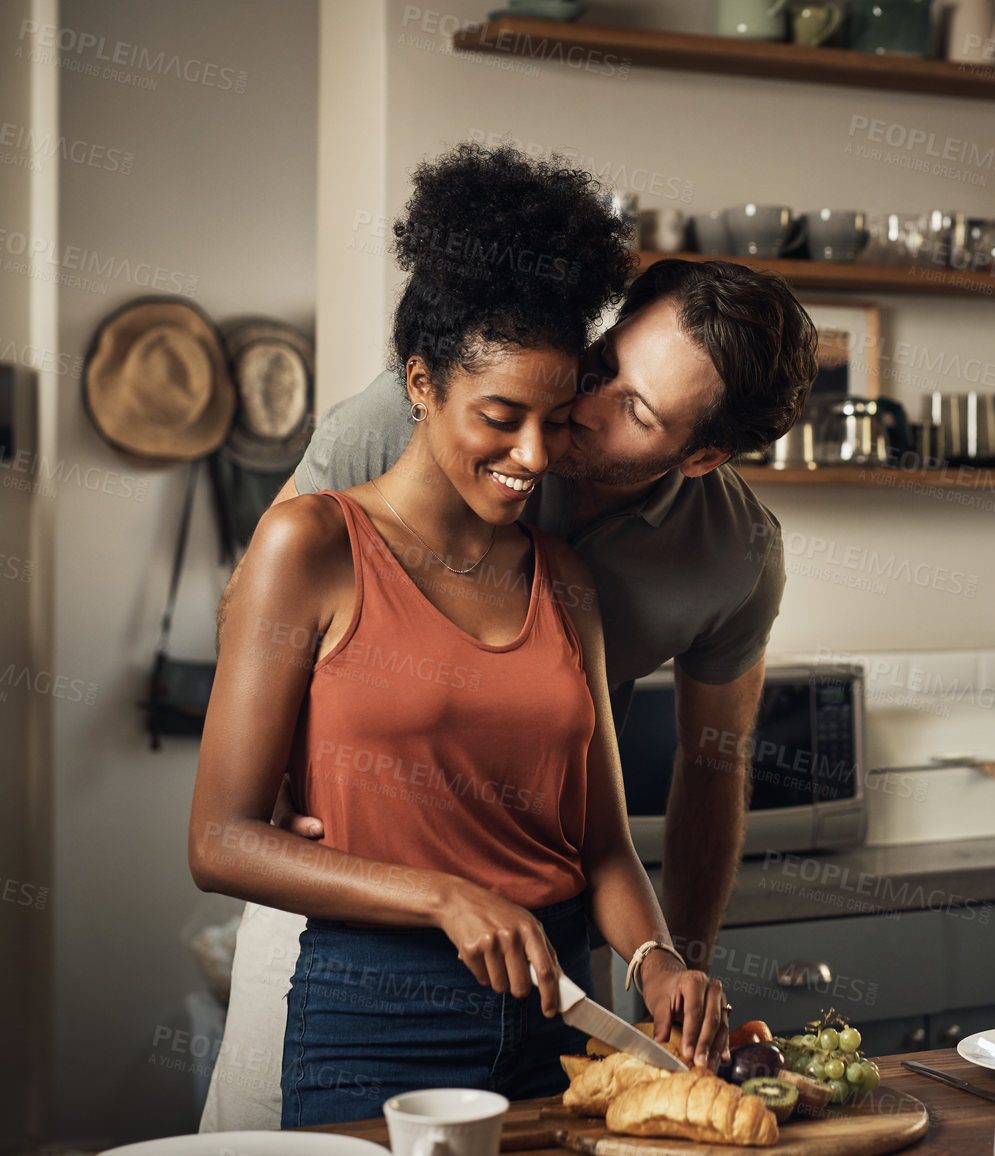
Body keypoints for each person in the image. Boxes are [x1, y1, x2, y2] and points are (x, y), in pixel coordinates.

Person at [197, 149, 817, 1129]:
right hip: (356, 901)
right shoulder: (412, 415)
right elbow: (262, 611)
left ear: (698, 456)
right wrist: (277, 770)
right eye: (605, 367)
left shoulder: (719, 557)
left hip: (549, 947)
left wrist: (669, 959)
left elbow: (708, 768)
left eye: (633, 410)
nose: (566, 423)